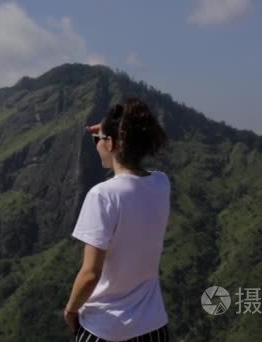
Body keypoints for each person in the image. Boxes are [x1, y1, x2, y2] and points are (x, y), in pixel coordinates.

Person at [64, 98, 171, 341]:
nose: (96, 145)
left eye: (98, 140)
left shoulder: (103, 195)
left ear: (110, 143)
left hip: (105, 330)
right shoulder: (161, 184)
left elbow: (90, 273)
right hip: (153, 327)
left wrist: (71, 310)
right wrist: (106, 132)